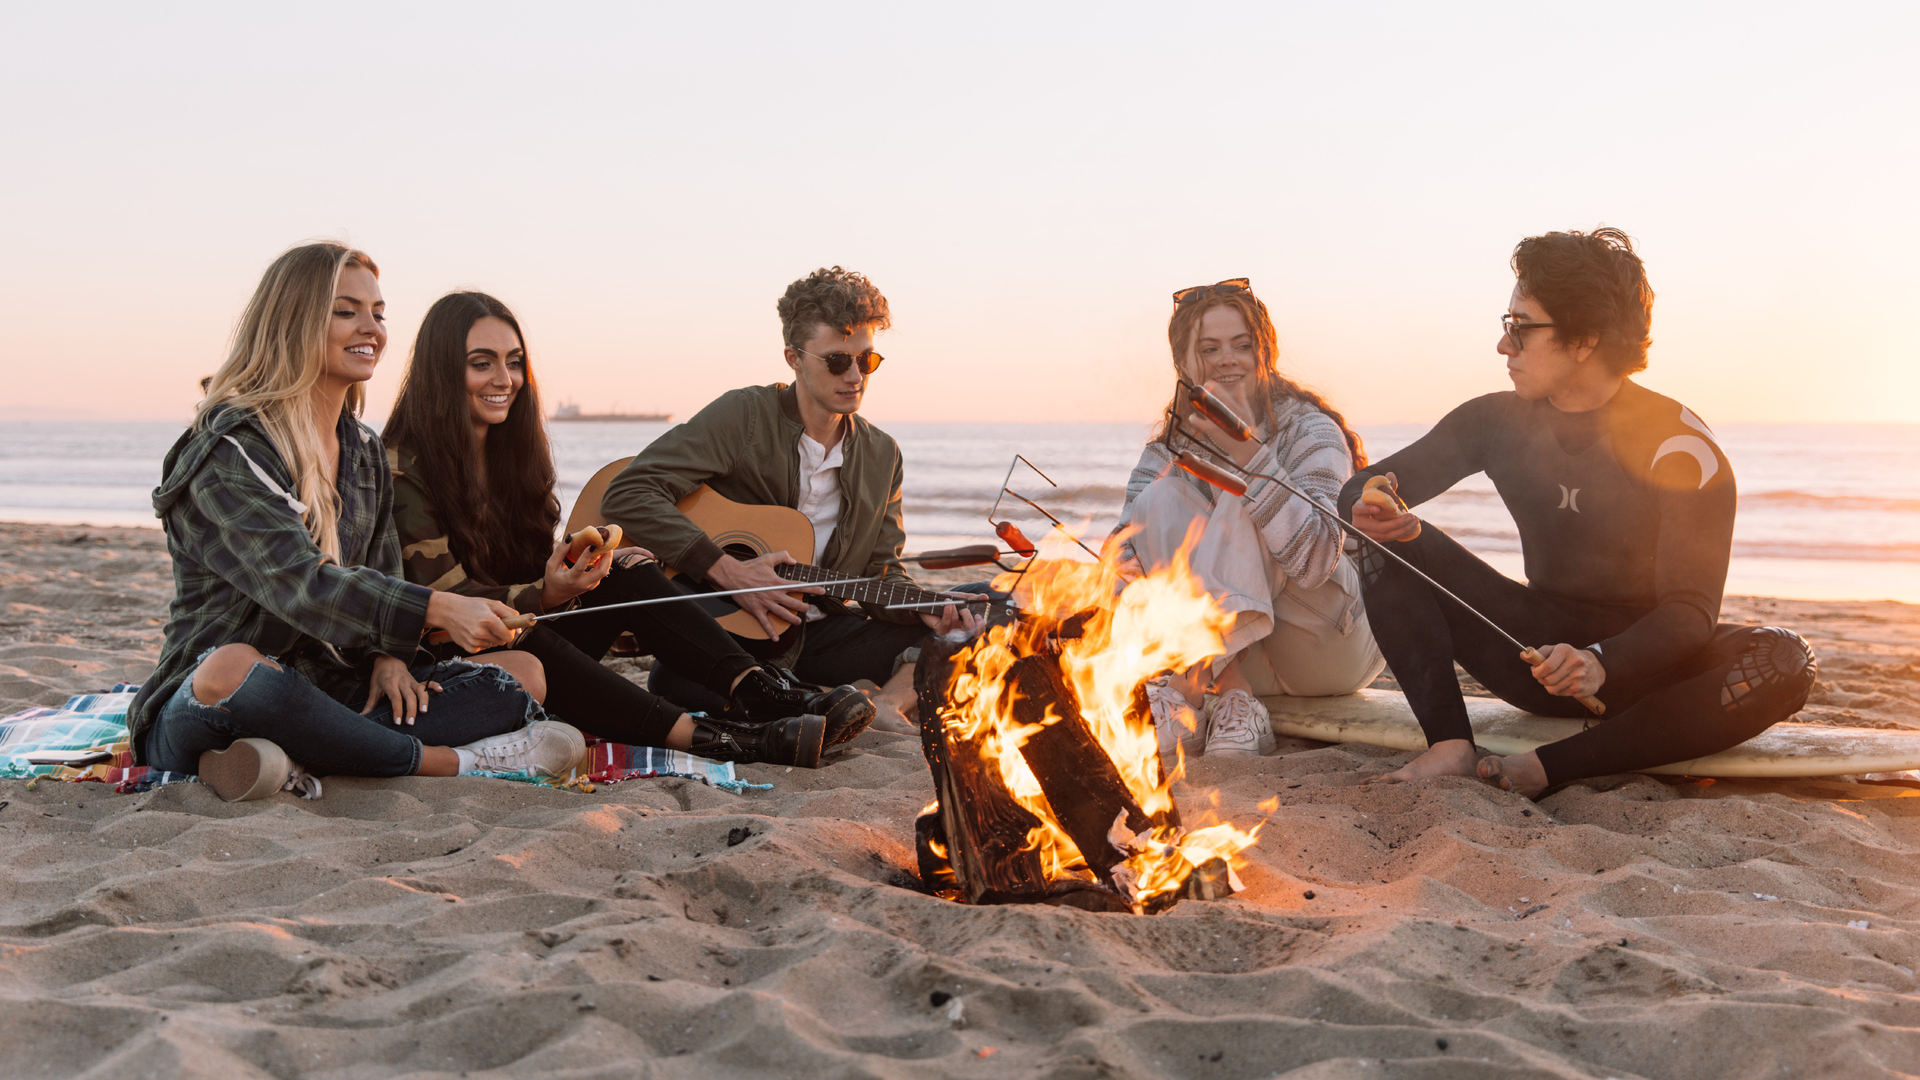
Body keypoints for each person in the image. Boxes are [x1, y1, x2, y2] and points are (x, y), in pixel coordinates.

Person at [1340, 228, 1817, 797]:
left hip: (1642, 668)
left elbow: (1691, 613)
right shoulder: (1493, 421)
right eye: (1505, 325)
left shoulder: (1681, 449)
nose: (1503, 346)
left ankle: (1548, 768)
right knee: (1384, 542)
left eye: (1520, 328)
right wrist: (1377, 508)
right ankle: (1450, 747)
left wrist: (1600, 661)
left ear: (1585, 339)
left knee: (1787, 659)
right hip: (1529, 652)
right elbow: (1360, 488)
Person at [129, 243, 586, 802]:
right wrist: (439, 607)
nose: (370, 327)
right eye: (345, 311)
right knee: (235, 670)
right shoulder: (227, 450)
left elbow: (382, 569)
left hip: (334, 688)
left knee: (523, 673)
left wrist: (389, 656)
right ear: (293, 322)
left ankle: (290, 757)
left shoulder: (364, 449)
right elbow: (301, 586)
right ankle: (446, 762)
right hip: (213, 697)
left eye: (378, 312)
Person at [382, 291, 875, 768]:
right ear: (443, 370)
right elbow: (450, 599)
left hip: (523, 628)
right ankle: (710, 737)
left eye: (514, 362)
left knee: (625, 571)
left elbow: (528, 570)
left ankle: (759, 690)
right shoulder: (406, 468)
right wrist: (546, 594)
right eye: (481, 362)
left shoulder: (510, 459)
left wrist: (578, 572)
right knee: (523, 633)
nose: (505, 378)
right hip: (453, 657)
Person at [599, 267, 978, 729]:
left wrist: (920, 607)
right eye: (838, 361)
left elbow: (882, 573)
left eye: (867, 361)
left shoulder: (882, 455)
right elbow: (629, 492)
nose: (855, 375)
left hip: (825, 636)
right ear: (794, 358)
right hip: (731, 635)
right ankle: (828, 697)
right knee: (675, 687)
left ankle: (883, 701)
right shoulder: (745, 416)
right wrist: (727, 569)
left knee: (982, 604)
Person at [1110, 279, 1385, 762]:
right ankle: (1237, 700)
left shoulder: (1310, 430)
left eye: (1242, 345)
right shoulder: (1165, 451)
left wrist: (1249, 454)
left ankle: (1187, 691)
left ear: (1264, 354)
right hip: (1241, 654)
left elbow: (1319, 558)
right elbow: (1123, 564)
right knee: (1159, 500)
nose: (1227, 359)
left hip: (1327, 643)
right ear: (1183, 363)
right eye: (1209, 348)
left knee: (1241, 491)